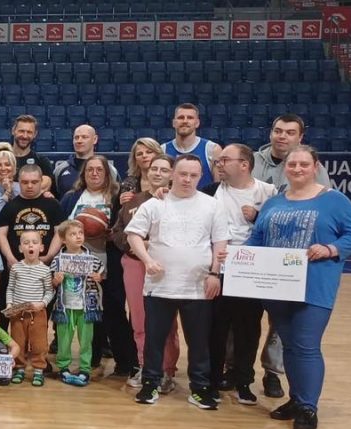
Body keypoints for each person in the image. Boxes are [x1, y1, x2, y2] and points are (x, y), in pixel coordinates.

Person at [246, 145, 351, 429]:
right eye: (292, 164)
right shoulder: (274, 202)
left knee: (307, 345)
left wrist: (330, 248)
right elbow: (258, 237)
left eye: (303, 164)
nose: (297, 169)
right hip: (278, 286)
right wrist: (239, 257)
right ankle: (297, 399)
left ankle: (309, 408)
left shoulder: (334, 200)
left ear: (315, 167)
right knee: (289, 345)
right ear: (285, 167)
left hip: (315, 285)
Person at [125, 155, 230, 409]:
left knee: (199, 342)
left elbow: (220, 242)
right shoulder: (155, 203)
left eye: (193, 175)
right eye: (183, 174)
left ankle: (200, 387)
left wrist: (215, 273)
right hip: (159, 285)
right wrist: (147, 260)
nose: (187, 179)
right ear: (172, 174)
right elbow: (133, 235)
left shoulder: (212, 205)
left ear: (200, 177)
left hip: (198, 286)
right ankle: (150, 383)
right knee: (154, 339)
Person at [203, 144, 277, 405]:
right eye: (218, 160)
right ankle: (212, 380)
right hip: (220, 268)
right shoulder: (210, 192)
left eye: (225, 160)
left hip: (252, 271)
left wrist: (258, 217)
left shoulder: (268, 193)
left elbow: (278, 229)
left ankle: (244, 381)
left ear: (244, 164)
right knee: (216, 328)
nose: (219, 164)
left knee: (248, 329)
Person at [58, 154, 138, 379]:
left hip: (107, 258)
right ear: (83, 174)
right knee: (82, 310)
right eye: (89, 169)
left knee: (111, 309)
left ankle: (121, 361)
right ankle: (88, 359)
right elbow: (60, 227)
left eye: (99, 169)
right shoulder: (72, 197)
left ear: (107, 173)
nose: (94, 173)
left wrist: (110, 232)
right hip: (76, 261)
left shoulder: (116, 197)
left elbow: (125, 227)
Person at [111, 155, 181, 393]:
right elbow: (117, 231)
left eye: (164, 170)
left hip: (165, 265)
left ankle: (167, 370)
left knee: (166, 322)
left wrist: (154, 245)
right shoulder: (133, 201)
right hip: (134, 264)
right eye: (154, 169)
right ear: (147, 172)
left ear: (172, 174)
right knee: (139, 320)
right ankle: (145, 366)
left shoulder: (178, 201)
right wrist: (132, 245)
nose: (158, 173)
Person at [0, 164, 66, 342]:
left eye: (34, 182)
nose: (29, 186)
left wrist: (49, 256)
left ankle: (37, 351)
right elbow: (1, 234)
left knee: (41, 313)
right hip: (15, 267)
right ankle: (3, 347)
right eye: (25, 182)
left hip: (43, 268)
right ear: (18, 182)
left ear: (42, 181)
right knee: (6, 308)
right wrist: (10, 258)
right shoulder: (10, 206)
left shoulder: (53, 205)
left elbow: (60, 233)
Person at [50, 220, 103, 387]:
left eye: (80, 233)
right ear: (63, 239)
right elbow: (51, 283)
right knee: (64, 339)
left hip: (86, 307)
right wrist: (56, 280)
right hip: (65, 307)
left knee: (86, 340)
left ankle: (85, 368)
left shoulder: (92, 259)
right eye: (73, 234)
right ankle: (63, 367)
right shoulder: (57, 260)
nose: (78, 237)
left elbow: (101, 275)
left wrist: (98, 277)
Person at [4, 231, 53, 387]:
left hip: (37, 313)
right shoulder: (16, 268)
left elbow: (49, 291)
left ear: (41, 247)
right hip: (18, 313)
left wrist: (42, 304)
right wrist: (9, 304)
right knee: (18, 341)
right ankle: (19, 368)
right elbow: (10, 288)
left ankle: (38, 370)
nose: (30, 245)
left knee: (39, 343)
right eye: (26, 243)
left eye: (34, 242)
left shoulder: (45, 270)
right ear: (20, 248)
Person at [253, 114, 331, 191]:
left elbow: (325, 197)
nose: (282, 136)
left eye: (290, 133)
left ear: (300, 137)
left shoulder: (312, 167)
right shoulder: (252, 160)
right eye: (277, 131)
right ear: (270, 134)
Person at [163, 103, 223, 189]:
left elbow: (219, 187)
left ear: (197, 123)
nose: (185, 121)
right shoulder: (162, 150)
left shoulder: (212, 149)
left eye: (190, 118)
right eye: (180, 117)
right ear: (174, 123)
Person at [8, 115, 54, 192]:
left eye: (29, 132)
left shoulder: (42, 161)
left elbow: (46, 184)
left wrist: (9, 186)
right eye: (21, 131)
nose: (25, 136)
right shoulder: (1, 160)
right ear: (13, 131)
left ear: (35, 134)